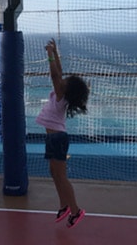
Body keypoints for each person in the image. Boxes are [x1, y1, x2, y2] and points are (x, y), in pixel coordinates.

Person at [37, 38, 89, 228]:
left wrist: (49, 55)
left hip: (58, 138)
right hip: (53, 138)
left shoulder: (60, 94)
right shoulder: (61, 93)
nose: (63, 79)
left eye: (66, 81)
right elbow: (59, 73)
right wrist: (56, 52)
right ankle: (64, 205)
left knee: (61, 175)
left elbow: (55, 75)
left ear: (67, 88)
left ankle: (75, 210)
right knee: (54, 172)